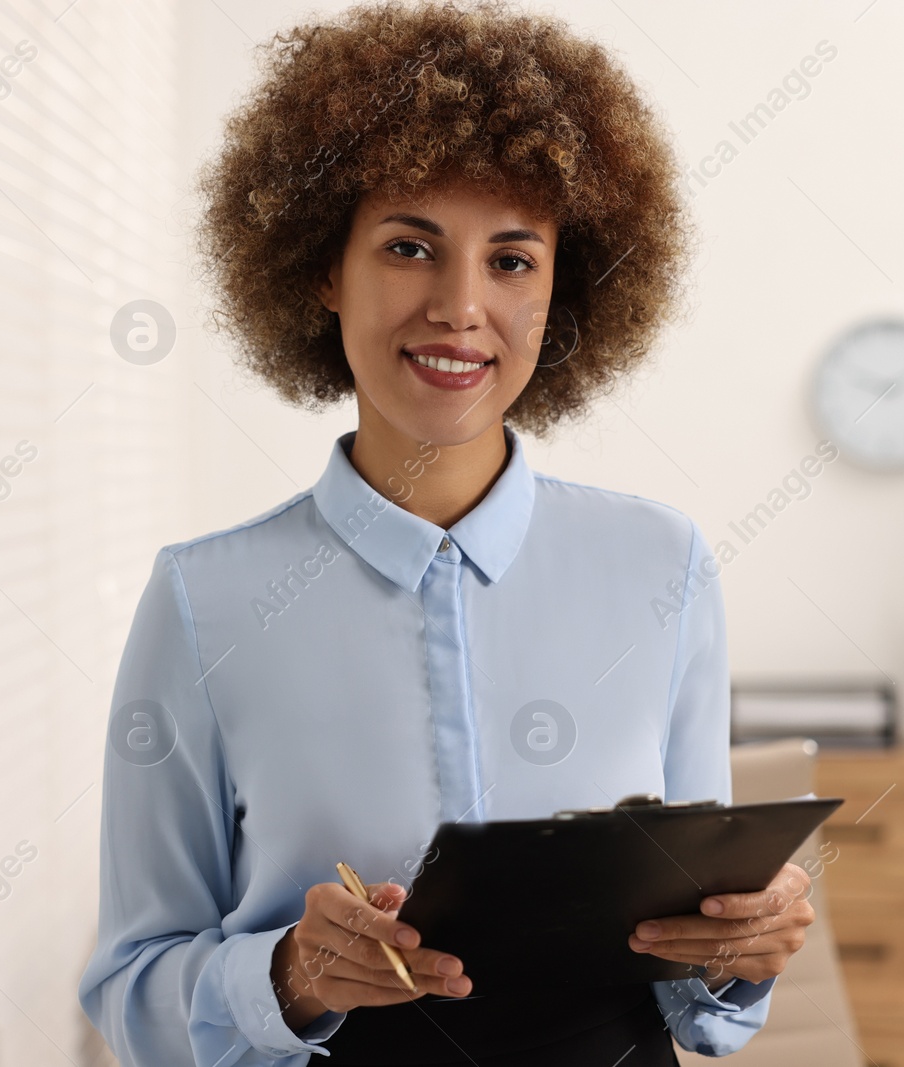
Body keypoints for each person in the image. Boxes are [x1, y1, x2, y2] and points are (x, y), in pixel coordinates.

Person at [78, 1, 815, 1063]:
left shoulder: (664, 567)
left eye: (511, 259)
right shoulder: (206, 602)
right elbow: (129, 988)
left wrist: (742, 943)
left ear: (561, 287)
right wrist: (285, 973)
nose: (460, 305)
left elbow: (708, 996)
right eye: (410, 246)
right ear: (323, 269)